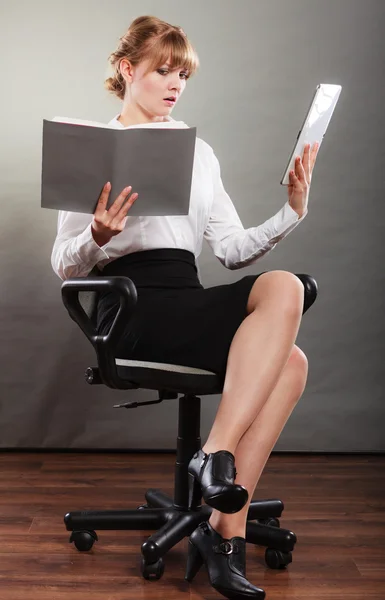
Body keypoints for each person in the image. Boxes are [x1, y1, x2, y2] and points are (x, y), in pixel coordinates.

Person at [51, 14, 319, 600]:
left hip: (186, 297)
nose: (175, 84)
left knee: (288, 313)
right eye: (163, 71)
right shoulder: (93, 149)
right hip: (129, 306)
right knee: (288, 354)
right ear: (128, 70)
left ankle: (223, 518)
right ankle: (221, 495)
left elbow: (229, 250)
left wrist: (292, 209)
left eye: (183, 75)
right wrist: (96, 235)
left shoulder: (199, 153)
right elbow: (63, 266)